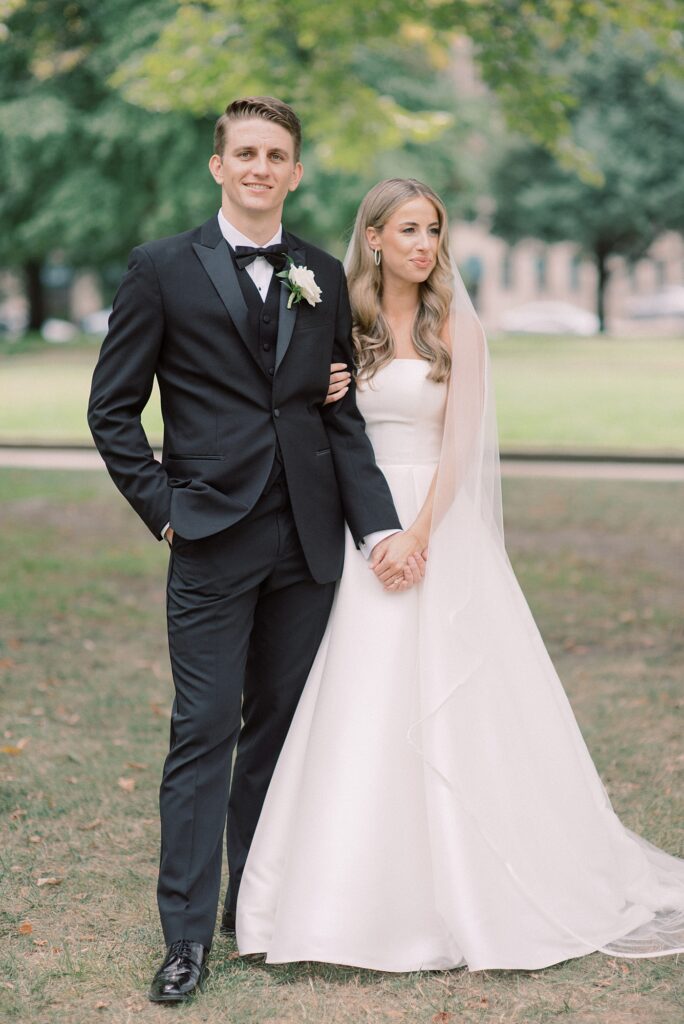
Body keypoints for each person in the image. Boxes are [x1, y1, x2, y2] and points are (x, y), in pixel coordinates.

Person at [235, 178, 684, 971]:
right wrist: (325, 393)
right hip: (364, 533)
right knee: (360, 703)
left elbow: (462, 449)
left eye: (433, 231)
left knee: (461, 702)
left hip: (437, 527)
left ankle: (483, 884)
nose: (424, 245)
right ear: (372, 237)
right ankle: (346, 896)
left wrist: (417, 535)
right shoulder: (342, 323)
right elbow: (308, 423)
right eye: (408, 230)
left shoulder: (458, 330)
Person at [87, 99, 427, 1003]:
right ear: (218, 166)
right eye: (245, 152)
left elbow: (337, 416)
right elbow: (112, 409)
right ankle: (185, 939)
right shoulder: (160, 267)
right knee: (201, 735)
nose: (261, 167)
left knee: (276, 736)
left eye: (277, 154)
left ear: (297, 171)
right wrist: (163, 510)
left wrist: (379, 527)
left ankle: (257, 908)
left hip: (308, 543)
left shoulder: (317, 270)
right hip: (206, 535)